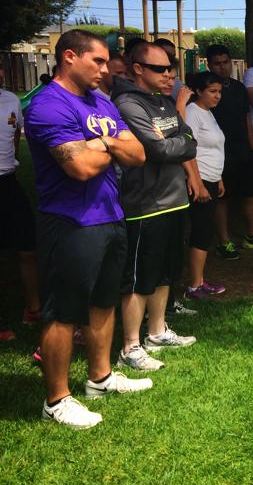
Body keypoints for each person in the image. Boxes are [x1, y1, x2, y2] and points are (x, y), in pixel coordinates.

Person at [24, 29, 151, 428]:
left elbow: (139, 153)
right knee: (63, 311)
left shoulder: (102, 101)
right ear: (68, 57)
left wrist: (101, 142)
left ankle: (100, 377)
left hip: (110, 216)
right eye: (96, 60)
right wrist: (111, 142)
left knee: (103, 301)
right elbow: (78, 168)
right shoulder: (48, 105)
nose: (105, 67)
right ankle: (56, 399)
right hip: (70, 222)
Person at [113, 40, 199, 371]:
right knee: (139, 277)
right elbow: (156, 150)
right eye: (161, 69)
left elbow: (189, 140)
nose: (169, 75)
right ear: (138, 69)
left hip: (174, 200)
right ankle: (130, 345)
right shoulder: (126, 104)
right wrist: (175, 145)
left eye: (170, 68)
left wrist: (174, 144)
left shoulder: (162, 103)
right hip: (145, 203)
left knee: (165, 271)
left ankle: (157, 331)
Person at [207, 45, 253, 259]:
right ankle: (224, 241)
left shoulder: (239, 88)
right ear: (210, 65)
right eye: (217, 63)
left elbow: (246, 117)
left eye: (225, 62)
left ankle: (252, 234)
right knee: (223, 198)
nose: (222, 67)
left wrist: (252, 146)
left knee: (251, 193)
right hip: (219, 153)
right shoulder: (205, 90)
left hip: (244, 150)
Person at [0, 65, 41, 339]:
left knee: (28, 248)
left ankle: (34, 309)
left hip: (8, 181)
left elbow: (15, 135)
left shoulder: (11, 99)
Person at [183, 72, 228, 298]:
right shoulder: (193, 112)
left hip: (211, 178)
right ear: (199, 91)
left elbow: (213, 147)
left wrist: (218, 177)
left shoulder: (208, 114)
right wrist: (198, 183)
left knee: (206, 230)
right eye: (212, 91)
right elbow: (189, 149)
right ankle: (194, 284)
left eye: (219, 92)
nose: (217, 96)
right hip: (199, 181)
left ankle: (199, 280)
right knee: (201, 231)